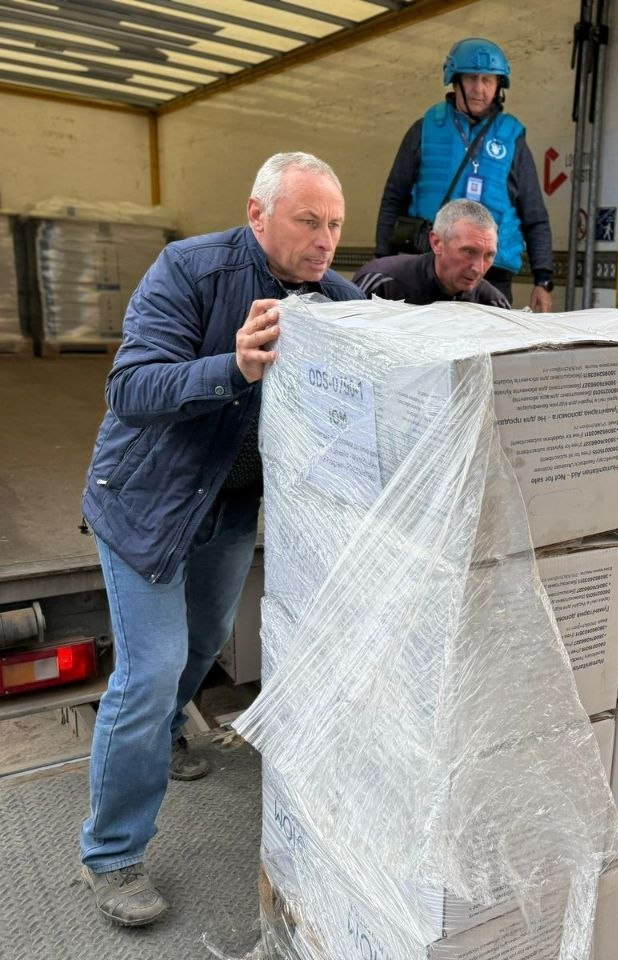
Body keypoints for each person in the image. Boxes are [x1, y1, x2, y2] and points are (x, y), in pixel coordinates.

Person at [79, 152, 363, 926]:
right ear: (258, 215)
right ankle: (112, 854)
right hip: (147, 502)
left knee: (201, 647)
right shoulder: (190, 271)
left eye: (335, 224)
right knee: (151, 668)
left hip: (230, 510)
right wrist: (231, 366)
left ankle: (167, 731)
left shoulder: (334, 298)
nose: (326, 240)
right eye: (309, 221)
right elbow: (129, 388)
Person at [374, 37, 554, 312]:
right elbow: (393, 198)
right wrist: (384, 261)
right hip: (428, 270)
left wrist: (543, 279)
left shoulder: (512, 139)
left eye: (488, 80)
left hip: (490, 275)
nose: (479, 89)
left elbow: (535, 215)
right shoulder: (424, 130)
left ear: (498, 87)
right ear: (455, 80)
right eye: (471, 78)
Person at [354, 199, 510, 307]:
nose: (479, 268)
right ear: (437, 243)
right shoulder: (382, 283)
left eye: (489, 255)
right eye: (469, 252)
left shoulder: (493, 304)